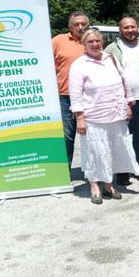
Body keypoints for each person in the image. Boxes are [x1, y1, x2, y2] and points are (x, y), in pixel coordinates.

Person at [68, 29, 139, 204]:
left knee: (112, 151)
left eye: (97, 41)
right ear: (84, 45)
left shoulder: (111, 59)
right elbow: (75, 95)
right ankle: (94, 186)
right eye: (90, 42)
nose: (95, 44)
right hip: (94, 117)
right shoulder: (79, 65)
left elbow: (124, 82)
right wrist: (80, 119)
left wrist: (128, 103)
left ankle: (109, 185)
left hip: (116, 114)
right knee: (95, 152)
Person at [104, 16, 139, 184]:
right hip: (123, 101)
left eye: (133, 27)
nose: (130, 30)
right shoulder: (112, 48)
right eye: (126, 27)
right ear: (120, 30)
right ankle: (122, 171)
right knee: (122, 137)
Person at [52, 11, 90, 166]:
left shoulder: (92, 41)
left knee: (92, 136)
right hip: (65, 96)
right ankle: (64, 171)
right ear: (70, 26)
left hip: (89, 97)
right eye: (76, 24)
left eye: (83, 24)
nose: (80, 27)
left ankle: (93, 172)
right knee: (67, 136)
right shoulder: (58, 41)